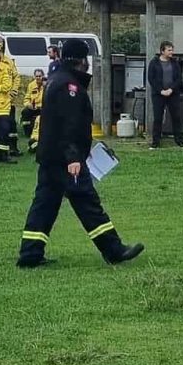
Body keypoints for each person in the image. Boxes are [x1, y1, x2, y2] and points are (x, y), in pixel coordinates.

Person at [17, 38, 144, 269]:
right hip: (65, 160)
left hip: (51, 157)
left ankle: (30, 254)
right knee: (87, 201)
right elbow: (69, 125)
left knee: (44, 205)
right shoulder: (69, 86)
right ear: (80, 60)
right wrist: (74, 158)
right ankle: (113, 250)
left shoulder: (56, 79)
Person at [147, 41, 183, 149]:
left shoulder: (175, 63)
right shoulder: (154, 63)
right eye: (169, 50)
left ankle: (179, 141)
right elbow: (151, 79)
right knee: (158, 118)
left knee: (176, 117)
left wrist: (171, 89)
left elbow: (178, 78)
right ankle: (155, 142)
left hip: (172, 93)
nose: (171, 52)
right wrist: (160, 91)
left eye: (172, 49)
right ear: (162, 51)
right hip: (158, 95)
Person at [21, 68, 46, 153]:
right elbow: (26, 98)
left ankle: (38, 134)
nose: (38, 78)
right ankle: (28, 132)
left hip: (43, 108)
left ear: (43, 76)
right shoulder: (31, 85)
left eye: (40, 76)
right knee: (25, 112)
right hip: (33, 107)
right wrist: (28, 105)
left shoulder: (46, 85)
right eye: (36, 76)